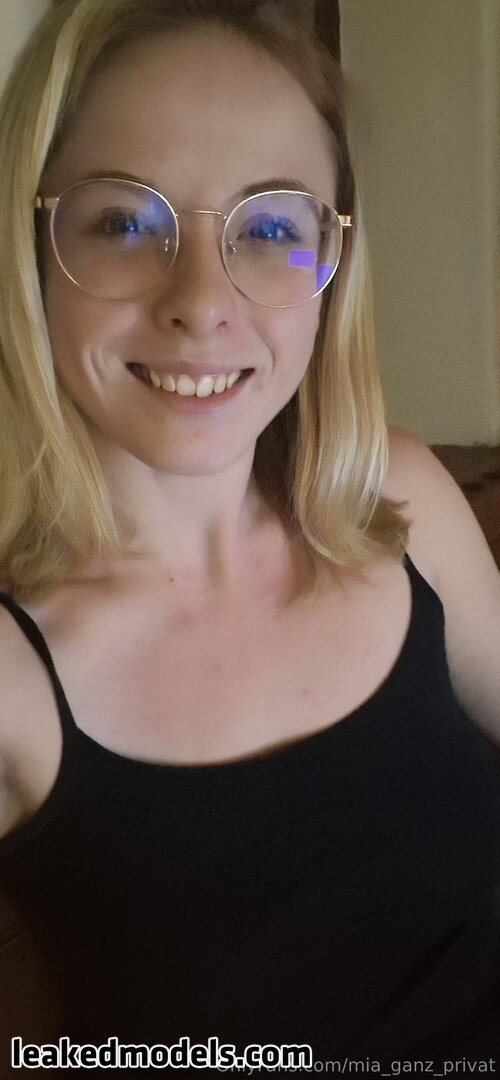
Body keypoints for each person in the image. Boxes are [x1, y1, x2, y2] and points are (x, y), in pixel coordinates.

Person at [0, 0, 499, 1073]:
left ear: (333, 263)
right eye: (122, 222)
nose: (201, 300)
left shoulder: (398, 499)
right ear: (30, 248)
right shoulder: (13, 671)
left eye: (270, 229)